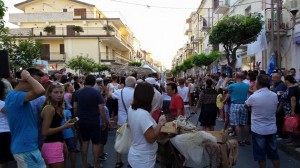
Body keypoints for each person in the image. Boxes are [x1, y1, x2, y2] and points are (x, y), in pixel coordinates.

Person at [5, 69, 46, 167]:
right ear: (23, 80)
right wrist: (28, 77)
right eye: (34, 81)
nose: (36, 84)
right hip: (25, 148)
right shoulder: (15, 96)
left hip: (26, 147)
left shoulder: (16, 96)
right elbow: (41, 90)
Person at [73, 75, 110, 168]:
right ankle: (96, 164)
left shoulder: (77, 92)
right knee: (95, 143)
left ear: (85, 81)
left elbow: (75, 107)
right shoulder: (96, 93)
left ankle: (84, 164)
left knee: (84, 143)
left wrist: (76, 119)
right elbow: (101, 109)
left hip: (82, 120)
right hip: (94, 121)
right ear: (94, 83)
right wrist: (105, 121)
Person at [127, 83, 167, 168]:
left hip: (136, 155)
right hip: (143, 159)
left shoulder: (131, 108)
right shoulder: (143, 114)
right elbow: (151, 138)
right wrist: (160, 123)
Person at [245, 74, 280, 168]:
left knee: (260, 156)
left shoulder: (254, 96)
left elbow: (246, 105)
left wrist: (251, 110)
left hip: (258, 129)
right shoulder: (274, 95)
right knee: (274, 154)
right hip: (271, 129)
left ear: (258, 83)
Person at [41, 82, 74, 167]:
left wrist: (63, 142)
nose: (59, 95)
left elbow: (55, 128)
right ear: (49, 94)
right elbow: (44, 131)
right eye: (56, 92)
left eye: (61, 92)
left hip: (56, 144)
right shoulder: (50, 108)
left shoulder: (56, 107)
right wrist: (64, 127)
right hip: (52, 145)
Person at [110, 76, 136, 168]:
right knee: (133, 141)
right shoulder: (136, 92)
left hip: (121, 120)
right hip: (133, 119)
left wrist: (112, 89)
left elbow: (110, 95)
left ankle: (118, 161)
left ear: (125, 83)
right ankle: (131, 161)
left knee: (119, 139)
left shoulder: (119, 92)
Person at [223, 72, 250, 146]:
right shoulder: (247, 85)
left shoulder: (233, 85)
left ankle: (240, 140)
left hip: (235, 105)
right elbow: (250, 91)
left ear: (237, 77)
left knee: (236, 124)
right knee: (245, 123)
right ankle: (247, 139)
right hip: (244, 105)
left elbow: (223, 88)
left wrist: (226, 81)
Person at [0, 80, 14, 168]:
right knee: (4, 160)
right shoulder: (1, 104)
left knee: (3, 160)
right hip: (4, 132)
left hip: (3, 132)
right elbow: (12, 113)